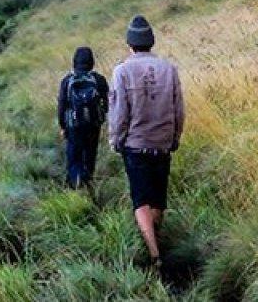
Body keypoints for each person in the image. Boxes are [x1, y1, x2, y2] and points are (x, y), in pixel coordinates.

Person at [108, 15, 184, 271]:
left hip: (135, 145)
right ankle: (156, 239)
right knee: (158, 200)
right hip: (162, 144)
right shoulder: (169, 69)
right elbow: (178, 109)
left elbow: (119, 112)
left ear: (130, 44)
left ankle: (154, 254)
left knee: (141, 200)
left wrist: (115, 140)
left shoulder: (122, 70)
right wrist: (175, 138)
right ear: (151, 43)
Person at [57, 46, 109, 191]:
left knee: (74, 157)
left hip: (73, 125)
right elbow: (107, 102)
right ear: (92, 62)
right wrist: (101, 117)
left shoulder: (67, 81)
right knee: (90, 154)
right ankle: (88, 183)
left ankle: (76, 186)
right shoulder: (99, 80)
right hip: (93, 125)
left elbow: (62, 105)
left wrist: (62, 126)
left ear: (74, 62)